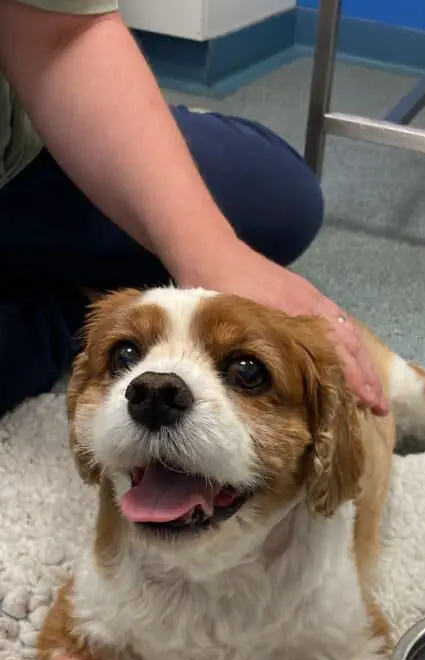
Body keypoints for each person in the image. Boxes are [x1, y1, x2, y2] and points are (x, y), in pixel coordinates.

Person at [0, 0, 386, 419]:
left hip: (16, 160)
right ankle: (68, 314)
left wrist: (212, 253)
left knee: (279, 200)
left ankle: (71, 301)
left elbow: (62, 35)